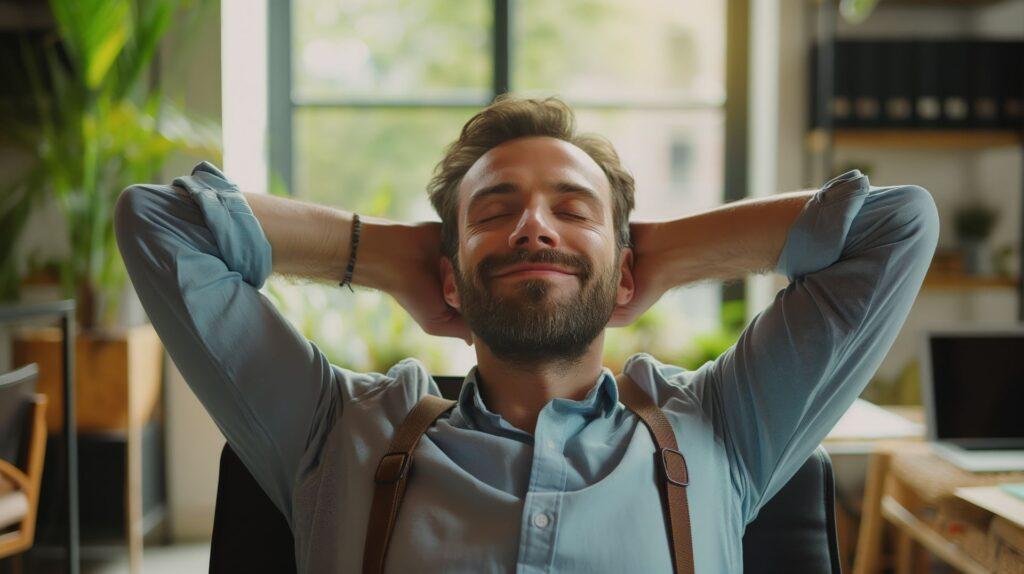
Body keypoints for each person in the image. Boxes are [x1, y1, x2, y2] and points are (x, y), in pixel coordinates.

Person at [113, 94, 939, 573]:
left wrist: (657, 255)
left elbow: (898, 226)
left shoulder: (722, 428)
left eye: (570, 210)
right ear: (447, 277)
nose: (533, 228)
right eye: (496, 211)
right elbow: (158, 223)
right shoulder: (336, 433)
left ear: (623, 275)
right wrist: (386, 255)